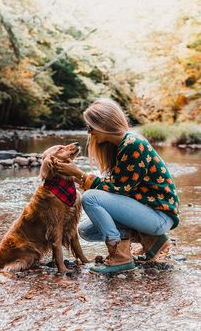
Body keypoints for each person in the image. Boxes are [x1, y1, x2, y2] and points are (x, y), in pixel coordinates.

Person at [54, 98, 180, 274]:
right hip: (150, 212)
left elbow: (119, 189)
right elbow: (116, 190)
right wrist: (74, 176)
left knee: (90, 198)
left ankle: (121, 258)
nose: (89, 132)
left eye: (91, 127)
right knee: (86, 231)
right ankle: (154, 242)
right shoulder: (120, 145)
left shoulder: (132, 144)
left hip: (159, 216)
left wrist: (78, 174)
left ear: (103, 124)